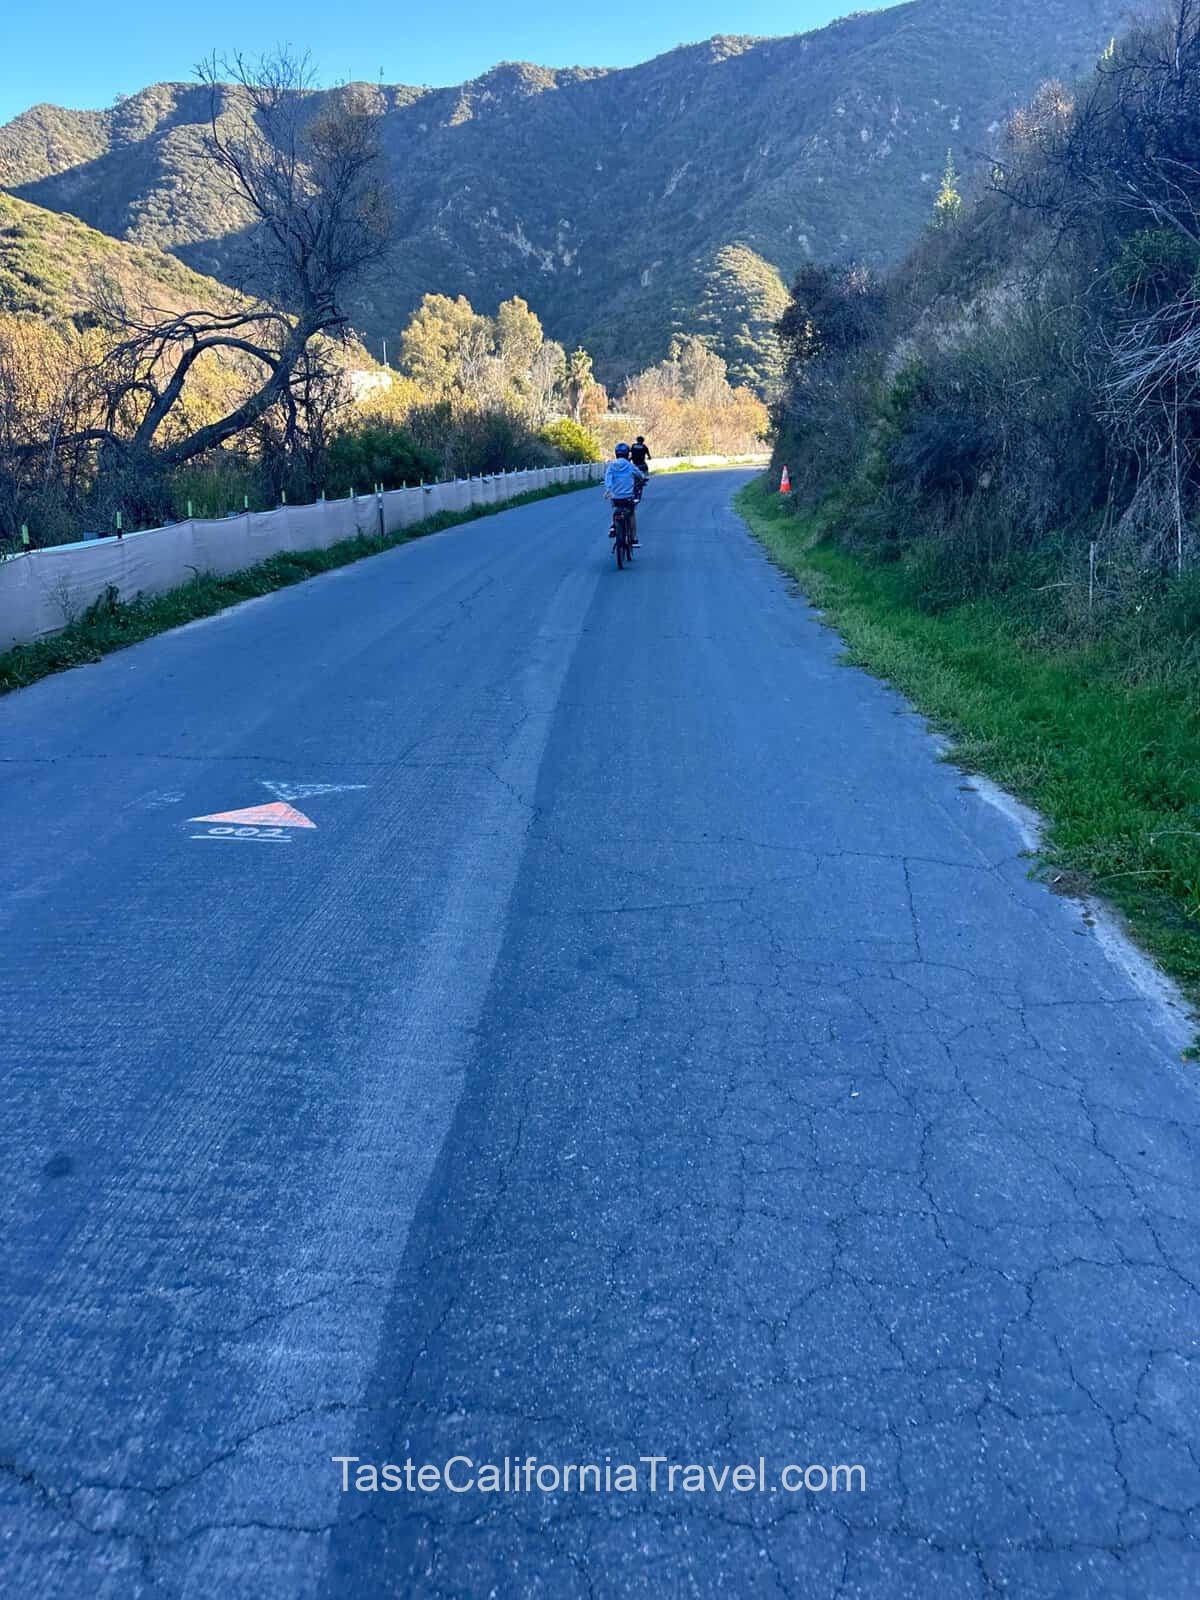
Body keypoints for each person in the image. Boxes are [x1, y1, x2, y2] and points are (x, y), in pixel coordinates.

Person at [604, 442, 647, 545]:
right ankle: (633, 538)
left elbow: (607, 478)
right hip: (628, 497)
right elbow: (640, 475)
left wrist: (609, 489)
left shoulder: (611, 465)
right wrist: (642, 478)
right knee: (631, 513)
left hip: (615, 497)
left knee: (616, 509)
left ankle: (614, 526)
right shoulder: (630, 466)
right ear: (628, 454)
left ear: (616, 453)